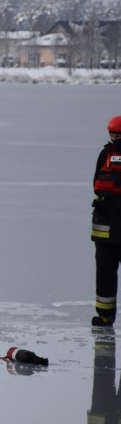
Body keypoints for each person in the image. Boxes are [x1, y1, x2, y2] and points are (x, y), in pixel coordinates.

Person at [91, 115, 121, 327]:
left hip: (105, 228)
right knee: (104, 273)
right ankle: (104, 316)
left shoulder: (106, 153)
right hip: (106, 228)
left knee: (105, 273)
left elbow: (95, 183)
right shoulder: (106, 153)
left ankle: (105, 316)